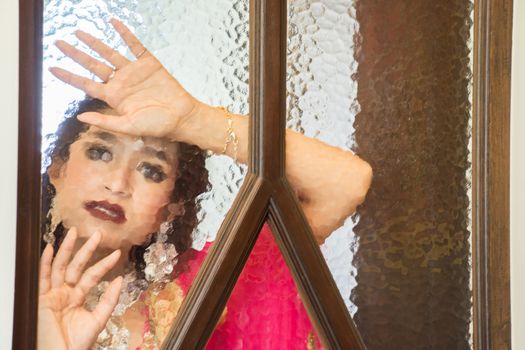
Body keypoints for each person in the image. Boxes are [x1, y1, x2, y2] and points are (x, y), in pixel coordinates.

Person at [38, 18, 373, 349]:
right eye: (99, 152)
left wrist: (195, 120)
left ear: (171, 207)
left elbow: (344, 182)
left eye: (152, 171)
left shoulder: (215, 290)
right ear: (58, 169)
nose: (118, 183)